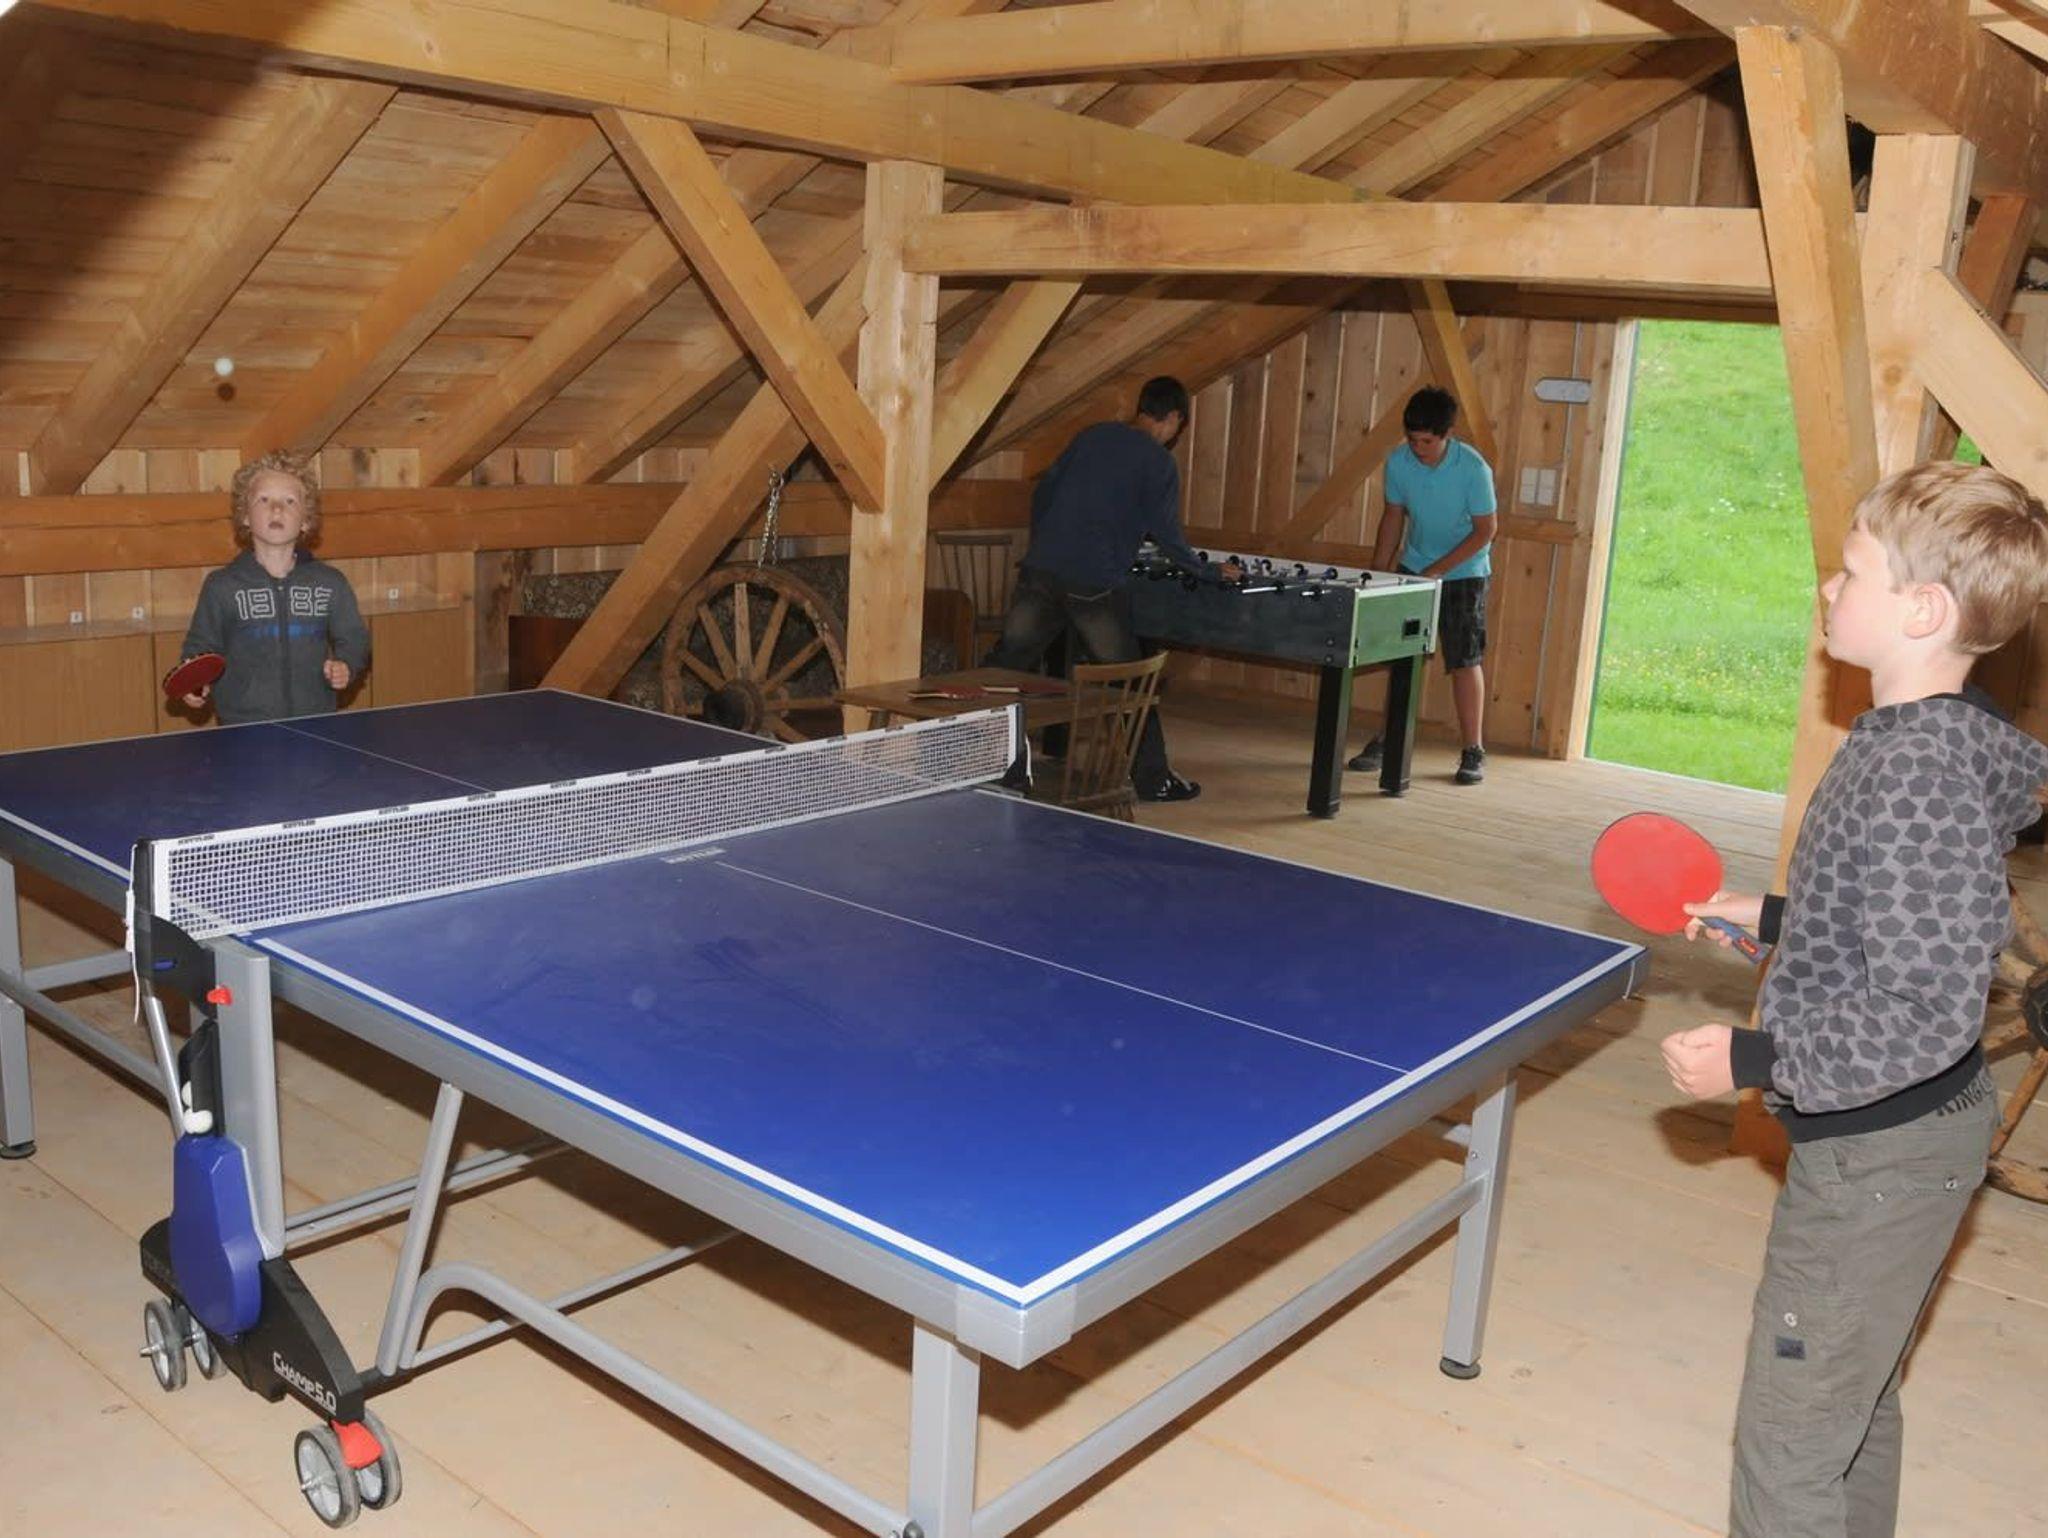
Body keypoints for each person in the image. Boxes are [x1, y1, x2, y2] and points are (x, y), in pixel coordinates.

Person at [1663, 460, 2048, 1538]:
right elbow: (1907, 917)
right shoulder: (1925, 739)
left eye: (1850, 571)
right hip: (1896, 1145)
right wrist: (1775, 916)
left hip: (1878, 1162)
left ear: (1921, 610)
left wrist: (1751, 1060)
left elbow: (1923, 1009)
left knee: (1788, 1443)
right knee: (1849, 1399)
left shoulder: (1914, 773)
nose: (1827, 588)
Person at [985, 375, 1237, 803]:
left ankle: (960, 756)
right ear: (1174, 418)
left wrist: (1045, 545)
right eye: (1179, 426)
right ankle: (1154, 780)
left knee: (1002, 668)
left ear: (1142, 408)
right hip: (1094, 584)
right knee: (1130, 682)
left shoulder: (1093, 435)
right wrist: (1208, 571)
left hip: (1041, 570)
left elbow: (1044, 493)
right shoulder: (1159, 463)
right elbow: (1168, 536)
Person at [1347, 386, 1497, 785]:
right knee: (1402, 657)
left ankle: (1473, 750)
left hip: (1465, 572)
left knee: (1464, 659)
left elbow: (1485, 531)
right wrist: (1378, 570)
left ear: (1448, 434)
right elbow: (1392, 517)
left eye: (1427, 442)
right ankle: (1387, 740)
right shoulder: (1398, 462)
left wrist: (1438, 570)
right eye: (1413, 440)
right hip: (1413, 567)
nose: (1418, 449)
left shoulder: (1474, 469)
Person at [178, 450, 370, 725]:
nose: (277, 509)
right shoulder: (222, 586)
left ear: (305, 520)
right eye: (264, 499)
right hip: (242, 728)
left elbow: (355, 638)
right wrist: (194, 682)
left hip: (316, 724)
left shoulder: (330, 583)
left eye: (290, 501)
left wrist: (346, 665)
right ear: (245, 516)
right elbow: (200, 647)